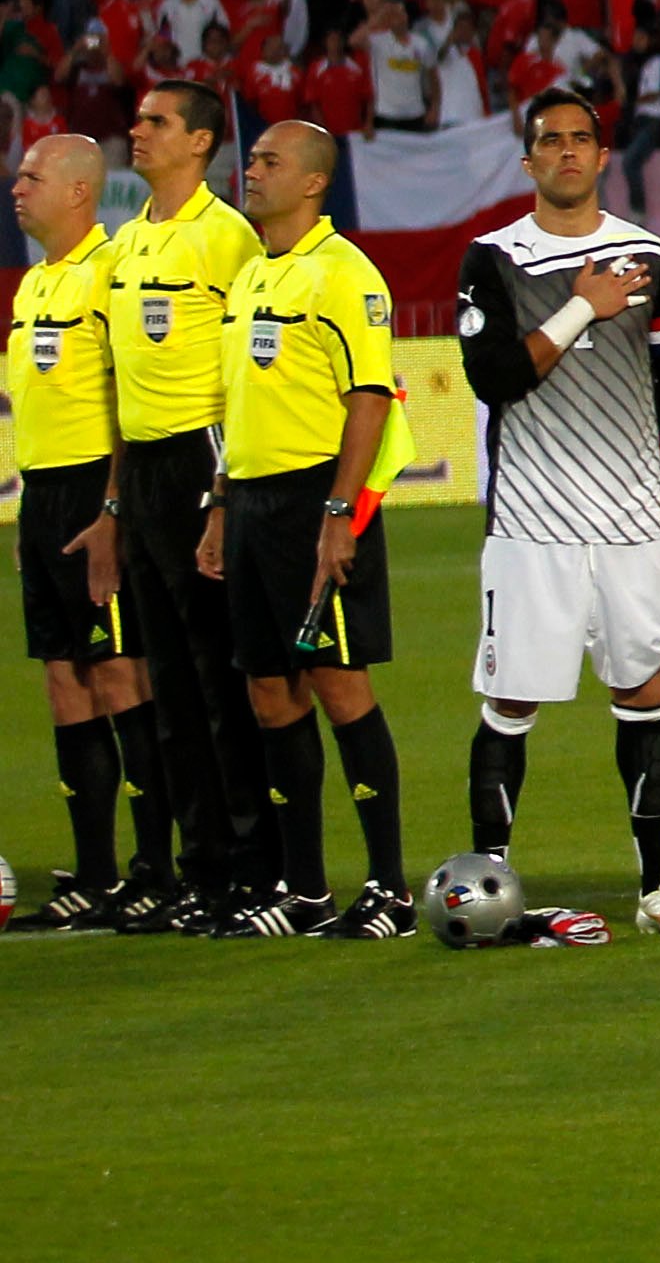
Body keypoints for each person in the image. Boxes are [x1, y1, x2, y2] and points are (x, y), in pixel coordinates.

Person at [454, 83, 660, 938]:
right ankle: (492, 880)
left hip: (632, 519)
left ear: (602, 156)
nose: (565, 151)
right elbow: (495, 380)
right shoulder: (492, 257)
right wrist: (580, 307)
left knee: (643, 686)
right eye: (549, 140)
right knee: (511, 699)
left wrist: (615, 441)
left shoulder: (654, 256)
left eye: (580, 139)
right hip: (529, 523)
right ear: (528, 161)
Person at [199, 119, 417, 932]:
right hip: (252, 502)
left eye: (267, 161)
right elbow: (238, 405)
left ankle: (389, 890)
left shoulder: (343, 274)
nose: (249, 171)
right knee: (267, 694)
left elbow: (369, 395)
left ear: (315, 181)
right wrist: (221, 504)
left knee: (338, 685)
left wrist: (339, 511)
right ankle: (306, 890)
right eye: (250, 160)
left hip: (311, 501)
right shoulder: (256, 275)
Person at [94, 79, 268, 928]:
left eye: (157, 121)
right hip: (145, 473)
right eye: (139, 120)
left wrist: (225, 497)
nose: (140, 131)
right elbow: (120, 384)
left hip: (203, 460)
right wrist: (117, 500)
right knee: (167, 680)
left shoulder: (225, 238)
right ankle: (198, 872)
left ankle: (250, 868)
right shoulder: (127, 244)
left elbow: (244, 373)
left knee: (215, 678)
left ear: (200, 142)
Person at [14, 133, 165, 928]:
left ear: (79, 193)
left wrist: (111, 510)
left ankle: (154, 868)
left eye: (33, 176)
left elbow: (127, 405)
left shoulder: (111, 276)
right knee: (64, 681)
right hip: (40, 495)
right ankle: (95, 877)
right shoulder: (34, 284)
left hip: (93, 495)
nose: (17, 187)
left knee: (118, 674)